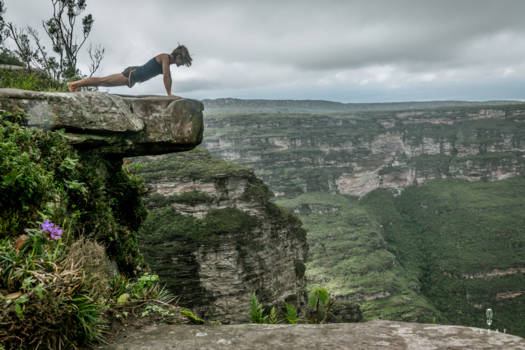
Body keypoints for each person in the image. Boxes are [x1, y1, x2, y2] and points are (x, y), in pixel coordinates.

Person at [67, 44, 192, 97]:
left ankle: (75, 85)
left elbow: (167, 75)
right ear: (178, 56)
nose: (182, 65)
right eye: (183, 61)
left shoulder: (167, 62)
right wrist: (169, 94)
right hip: (131, 74)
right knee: (102, 81)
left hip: (133, 77)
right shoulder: (165, 57)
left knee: (103, 81)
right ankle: (73, 84)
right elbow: (167, 76)